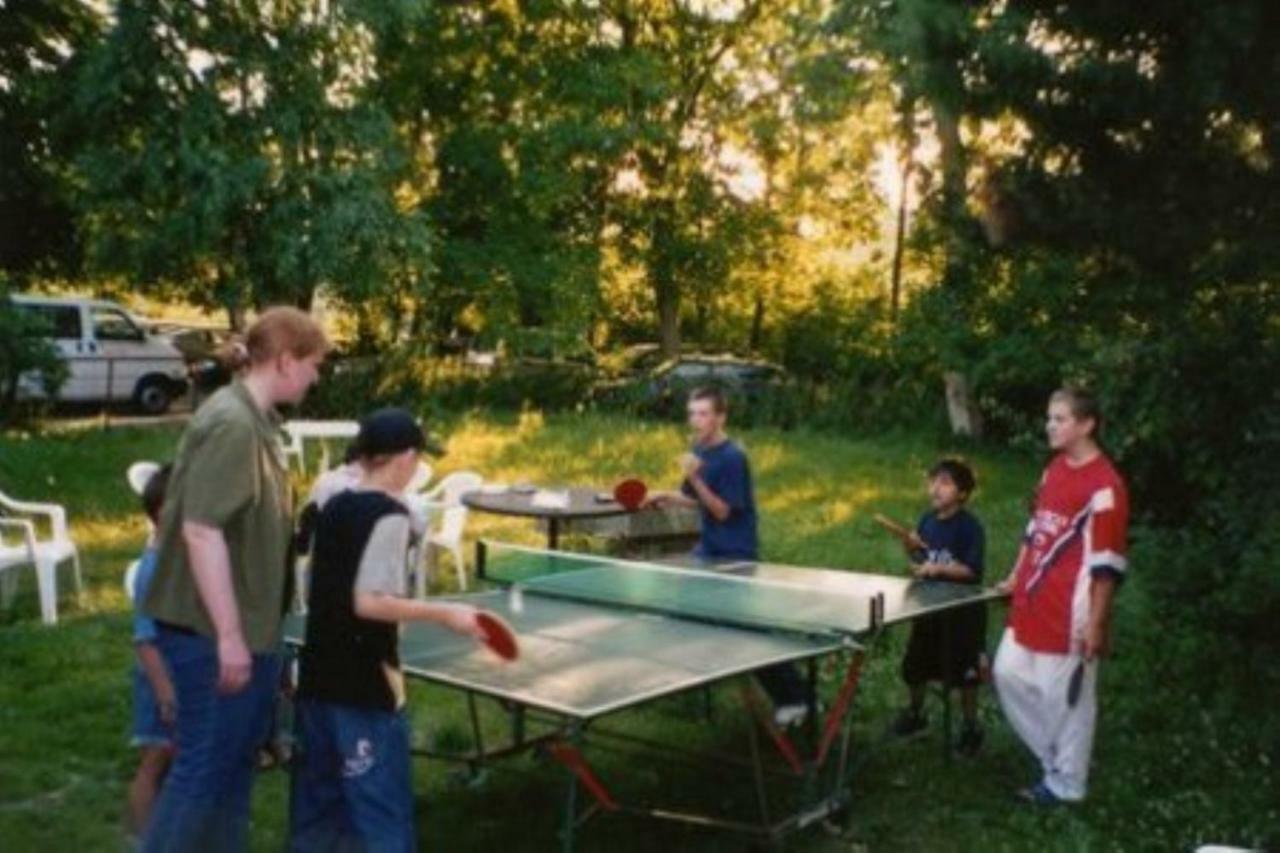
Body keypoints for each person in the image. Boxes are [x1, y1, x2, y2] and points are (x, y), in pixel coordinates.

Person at [142, 306, 328, 851]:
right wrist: (228, 636)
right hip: (210, 635)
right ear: (287, 360)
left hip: (247, 632)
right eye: (314, 364)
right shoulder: (232, 423)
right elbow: (202, 531)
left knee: (227, 776)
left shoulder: (258, 421)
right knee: (201, 777)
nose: (317, 377)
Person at [289, 408, 485, 851]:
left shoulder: (334, 505)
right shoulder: (390, 516)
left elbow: (316, 582)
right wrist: (446, 613)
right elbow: (370, 602)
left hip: (318, 677)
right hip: (364, 683)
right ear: (405, 459)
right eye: (417, 459)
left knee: (317, 809)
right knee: (379, 812)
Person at [992, 387, 1129, 805]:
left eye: (1060, 419)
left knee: (1067, 701)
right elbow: (1035, 530)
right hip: (1031, 600)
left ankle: (1068, 783)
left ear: (1086, 425)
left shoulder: (1106, 487)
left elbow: (1107, 566)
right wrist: (1016, 575)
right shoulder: (1053, 469)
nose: (1050, 425)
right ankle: (1061, 760)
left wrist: (1096, 622)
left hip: (1070, 610)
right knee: (1007, 674)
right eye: (1049, 418)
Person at [645, 386, 809, 725]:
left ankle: (797, 699)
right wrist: (668, 496)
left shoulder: (733, 457)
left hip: (736, 555)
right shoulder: (698, 449)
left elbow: (721, 510)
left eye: (704, 414)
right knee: (679, 611)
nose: (697, 420)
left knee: (749, 632)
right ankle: (682, 685)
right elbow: (698, 500)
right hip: (708, 551)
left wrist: (693, 476)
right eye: (692, 413)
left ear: (721, 417)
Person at [890, 458, 988, 756]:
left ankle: (971, 728)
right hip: (929, 609)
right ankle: (916, 714)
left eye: (945, 482)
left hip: (962, 613)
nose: (935, 487)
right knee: (915, 667)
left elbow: (971, 570)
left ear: (962, 493)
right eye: (933, 481)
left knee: (965, 676)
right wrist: (913, 552)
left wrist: (937, 569)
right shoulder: (926, 520)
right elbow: (921, 559)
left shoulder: (970, 528)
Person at [127, 463, 175, 837]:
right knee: (155, 761)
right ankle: (146, 840)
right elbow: (144, 639)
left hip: (181, 678)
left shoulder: (173, 563)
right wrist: (165, 694)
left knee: (175, 761)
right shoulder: (154, 569)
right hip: (162, 681)